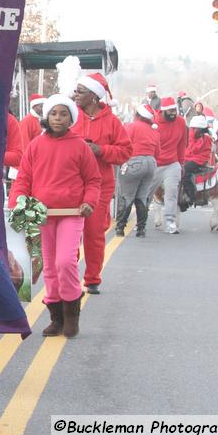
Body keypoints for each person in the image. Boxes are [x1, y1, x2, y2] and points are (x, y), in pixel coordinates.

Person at [9, 94, 101, 338]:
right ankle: (56, 316)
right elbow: (23, 180)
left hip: (71, 213)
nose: (58, 118)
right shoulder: (36, 146)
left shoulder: (80, 146)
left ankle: (72, 312)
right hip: (41, 215)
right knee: (48, 266)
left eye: (63, 114)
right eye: (53, 113)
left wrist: (88, 202)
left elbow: (93, 180)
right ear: (46, 117)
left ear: (71, 117)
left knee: (65, 262)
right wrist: (17, 204)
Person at [70, 72, 131, 295]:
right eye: (75, 90)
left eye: (80, 91)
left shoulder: (113, 122)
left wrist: (100, 150)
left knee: (94, 232)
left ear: (94, 97)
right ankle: (69, 276)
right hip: (73, 185)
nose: (75, 95)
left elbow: (125, 151)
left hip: (101, 185)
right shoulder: (71, 116)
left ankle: (92, 278)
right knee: (71, 232)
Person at [115, 104, 159, 237]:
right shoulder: (154, 131)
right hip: (150, 163)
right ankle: (141, 228)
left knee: (127, 196)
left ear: (137, 115)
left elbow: (122, 144)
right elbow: (158, 152)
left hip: (134, 161)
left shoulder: (131, 126)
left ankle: (120, 227)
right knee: (142, 196)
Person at [149, 97, 188, 234]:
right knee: (146, 193)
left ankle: (170, 221)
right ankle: (141, 220)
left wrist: (181, 163)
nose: (173, 113)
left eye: (175, 110)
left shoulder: (181, 122)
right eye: (170, 111)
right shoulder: (154, 122)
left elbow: (182, 144)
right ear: (163, 111)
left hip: (173, 163)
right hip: (155, 163)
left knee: (171, 192)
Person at [182, 115, 213, 206]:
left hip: (199, 160)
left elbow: (195, 149)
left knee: (184, 171)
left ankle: (192, 195)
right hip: (189, 158)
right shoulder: (190, 136)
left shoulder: (205, 138)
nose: (198, 132)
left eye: (200, 130)